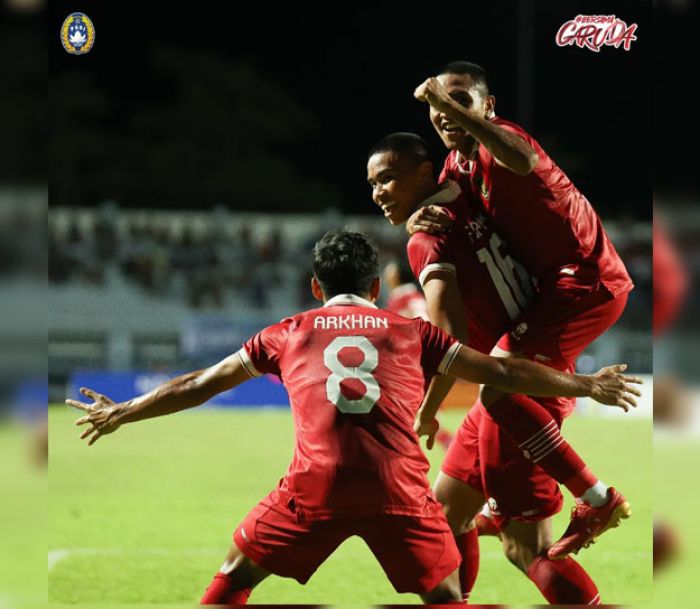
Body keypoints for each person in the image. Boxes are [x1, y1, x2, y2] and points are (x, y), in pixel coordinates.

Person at [67, 230, 641, 605]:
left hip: (313, 489)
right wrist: (585, 383)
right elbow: (506, 374)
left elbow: (199, 384)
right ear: (375, 287)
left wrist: (123, 412)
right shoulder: (412, 331)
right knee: (447, 597)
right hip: (400, 490)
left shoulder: (285, 333)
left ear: (316, 287)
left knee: (232, 578)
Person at [367, 133, 637, 604]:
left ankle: (596, 497)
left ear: (424, 173)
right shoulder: (471, 196)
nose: (378, 192)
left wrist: (426, 409)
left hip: (517, 388)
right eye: (373, 183)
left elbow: (448, 339)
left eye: (388, 178)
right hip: (525, 368)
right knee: (446, 513)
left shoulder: (427, 238)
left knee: (528, 550)